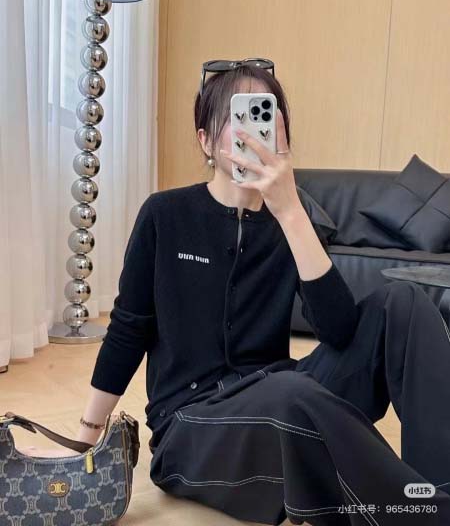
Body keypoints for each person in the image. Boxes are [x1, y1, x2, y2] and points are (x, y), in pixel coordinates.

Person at [20, 61, 450, 525]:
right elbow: (128, 329)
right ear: (205, 140)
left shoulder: (292, 221)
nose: (251, 131)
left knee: (403, 304)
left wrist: (289, 211)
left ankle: (440, 486)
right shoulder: (166, 214)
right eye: (236, 117)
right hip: (191, 428)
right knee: (292, 395)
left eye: (264, 115)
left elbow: (340, 332)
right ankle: (425, 513)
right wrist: (86, 436)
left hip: (277, 398)